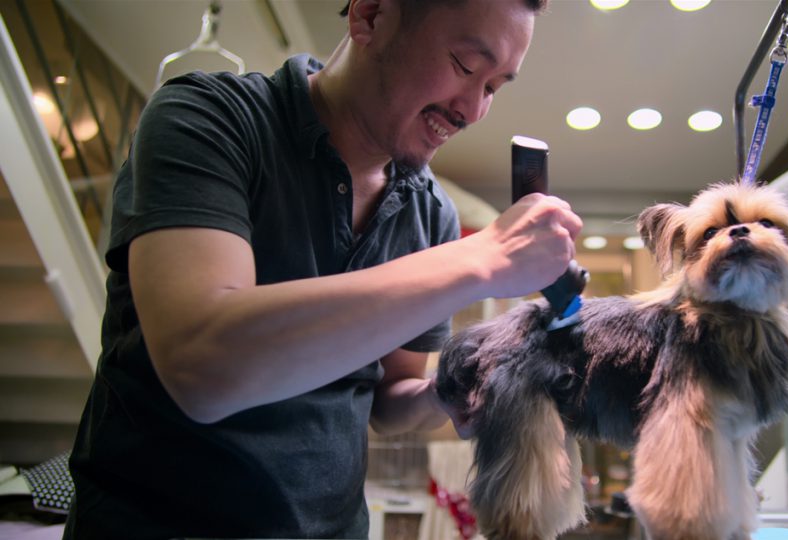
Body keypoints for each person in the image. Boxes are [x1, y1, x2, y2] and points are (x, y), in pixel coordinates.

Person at [63, 0, 579, 538]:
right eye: (465, 66)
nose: (472, 110)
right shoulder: (207, 119)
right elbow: (202, 368)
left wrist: (447, 394)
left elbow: (388, 400)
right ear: (371, 16)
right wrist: (483, 257)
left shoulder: (430, 213)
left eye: (493, 87)